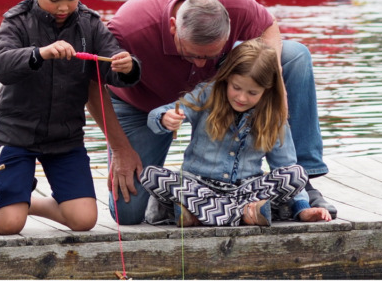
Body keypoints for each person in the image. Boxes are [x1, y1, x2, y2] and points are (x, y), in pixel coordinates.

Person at [90, 0, 336, 225]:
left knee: (296, 56)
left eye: (211, 56)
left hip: (219, 97)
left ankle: (307, 189)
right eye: (193, 54)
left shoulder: (235, 5)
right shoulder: (130, 27)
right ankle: (233, 211)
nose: (200, 64)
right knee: (128, 213)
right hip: (140, 104)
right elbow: (90, 83)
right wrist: (121, 148)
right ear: (173, 27)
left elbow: (268, 25)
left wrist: (276, 89)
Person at [0, 0, 141, 235]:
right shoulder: (17, 21)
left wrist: (127, 66)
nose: (63, 7)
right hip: (16, 136)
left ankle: (24, 201)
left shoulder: (90, 24)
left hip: (65, 140)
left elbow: (113, 69)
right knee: (9, 226)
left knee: (84, 220)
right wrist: (40, 53)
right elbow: (0, 65)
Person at [140, 39, 332, 227]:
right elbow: (155, 117)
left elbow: (285, 164)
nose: (241, 97)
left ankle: (202, 215)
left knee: (296, 173)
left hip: (246, 189)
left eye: (252, 93)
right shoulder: (206, 94)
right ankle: (243, 214)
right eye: (236, 88)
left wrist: (302, 208)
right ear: (227, 78)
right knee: (150, 175)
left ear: (267, 90)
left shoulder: (274, 116)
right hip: (198, 186)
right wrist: (165, 118)